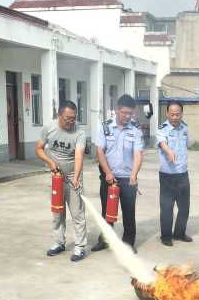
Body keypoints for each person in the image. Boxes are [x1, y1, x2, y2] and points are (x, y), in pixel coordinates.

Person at [35, 100, 88, 262]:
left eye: (74, 118)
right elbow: (38, 148)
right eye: (67, 118)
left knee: (77, 213)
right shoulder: (49, 128)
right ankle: (59, 242)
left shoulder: (79, 132)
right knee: (57, 212)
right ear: (59, 115)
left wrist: (77, 178)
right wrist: (51, 163)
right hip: (56, 178)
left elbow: (79, 155)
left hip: (73, 176)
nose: (71, 121)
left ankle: (80, 247)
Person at [92, 94, 144, 253]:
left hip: (128, 180)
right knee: (107, 211)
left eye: (130, 113)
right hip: (109, 178)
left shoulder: (135, 130)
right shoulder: (105, 127)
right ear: (117, 110)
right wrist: (107, 173)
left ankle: (128, 242)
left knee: (129, 212)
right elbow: (100, 151)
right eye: (124, 113)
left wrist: (134, 175)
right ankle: (105, 240)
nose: (127, 116)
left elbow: (138, 154)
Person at [157, 101, 193, 246]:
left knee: (184, 207)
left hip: (183, 173)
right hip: (167, 175)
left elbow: (188, 144)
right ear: (167, 114)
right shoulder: (162, 128)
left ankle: (179, 233)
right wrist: (169, 151)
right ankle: (166, 236)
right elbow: (162, 143)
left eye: (178, 114)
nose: (175, 117)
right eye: (172, 114)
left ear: (181, 114)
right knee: (167, 207)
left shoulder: (185, 128)